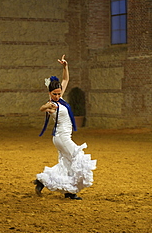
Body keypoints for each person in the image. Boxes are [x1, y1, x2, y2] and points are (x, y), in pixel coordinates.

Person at [34, 55, 97, 200]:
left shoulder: (60, 98)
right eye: (54, 94)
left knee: (67, 164)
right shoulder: (53, 104)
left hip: (62, 137)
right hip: (61, 137)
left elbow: (66, 79)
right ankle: (70, 190)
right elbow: (42, 108)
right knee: (78, 157)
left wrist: (65, 67)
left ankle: (45, 182)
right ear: (49, 93)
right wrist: (47, 107)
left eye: (58, 93)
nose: (57, 96)